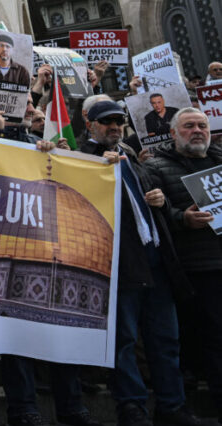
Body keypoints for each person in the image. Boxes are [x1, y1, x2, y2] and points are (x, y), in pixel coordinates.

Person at [79, 99, 200, 426]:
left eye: (118, 121)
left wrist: (159, 200)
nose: (114, 127)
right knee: (124, 342)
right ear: (89, 125)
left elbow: (147, 201)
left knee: (165, 340)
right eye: (106, 122)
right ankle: (131, 407)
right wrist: (94, 167)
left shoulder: (130, 155)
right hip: (120, 264)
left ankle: (172, 406)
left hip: (155, 261)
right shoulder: (81, 157)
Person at [146, 108, 222, 417]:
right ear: (174, 133)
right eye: (189, 126)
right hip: (195, 266)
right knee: (213, 334)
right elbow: (154, 212)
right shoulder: (156, 167)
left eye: (202, 125)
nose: (198, 131)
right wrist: (182, 219)